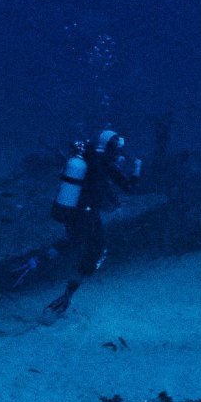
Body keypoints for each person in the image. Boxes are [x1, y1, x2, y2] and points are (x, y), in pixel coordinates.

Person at [16, 129, 141, 315]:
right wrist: (137, 168)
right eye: (117, 148)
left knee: (74, 241)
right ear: (111, 147)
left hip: (71, 210)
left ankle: (35, 261)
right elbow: (129, 188)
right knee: (95, 252)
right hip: (87, 212)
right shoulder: (105, 163)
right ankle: (66, 296)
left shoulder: (86, 157)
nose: (118, 153)